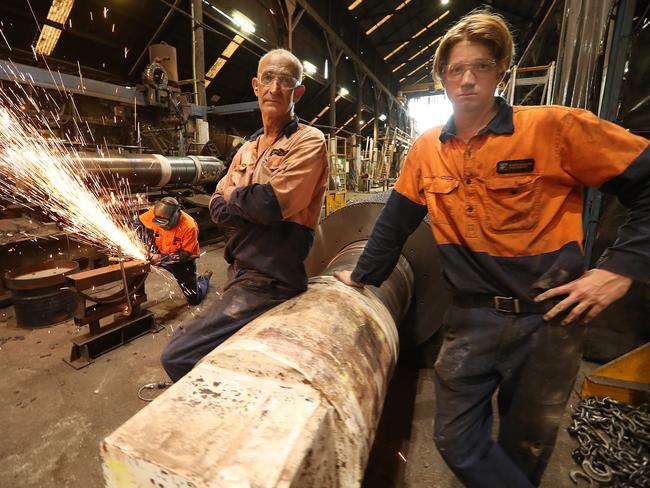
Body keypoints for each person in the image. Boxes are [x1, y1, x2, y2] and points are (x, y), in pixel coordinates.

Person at [335, 10, 650, 488]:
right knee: (456, 439)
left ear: (500, 72)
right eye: (456, 69)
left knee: (524, 449)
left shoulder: (553, 129)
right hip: (470, 319)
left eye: (480, 67)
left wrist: (621, 269)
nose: (467, 80)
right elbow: (392, 226)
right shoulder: (425, 151)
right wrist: (357, 277)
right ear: (441, 77)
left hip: (549, 321)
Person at [160, 48, 328, 382]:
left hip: (271, 279)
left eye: (285, 81)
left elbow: (270, 205)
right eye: (268, 78)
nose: (274, 88)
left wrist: (234, 196)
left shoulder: (309, 141)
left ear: (298, 92)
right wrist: (241, 201)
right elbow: (217, 209)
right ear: (255, 85)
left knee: (177, 355)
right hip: (240, 273)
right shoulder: (247, 148)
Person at [138, 197, 211, 306]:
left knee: (194, 299)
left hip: (182, 262)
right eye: (158, 221)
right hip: (160, 253)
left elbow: (185, 255)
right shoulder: (155, 213)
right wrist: (134, 235)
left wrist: (160, 258)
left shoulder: (189, 226)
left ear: (176, 213)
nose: (161, 225)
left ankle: (204, 278)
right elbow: (138, 222)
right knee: (136, 266)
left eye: (165, 222)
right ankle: (136, 297)